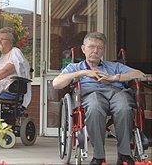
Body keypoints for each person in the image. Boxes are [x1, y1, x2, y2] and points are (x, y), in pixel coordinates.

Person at [53, 32, 145, 165]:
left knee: (124, 107)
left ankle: (125, 154)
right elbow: (56, 83)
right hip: (91, 94)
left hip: (116, 93)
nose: (95, 50)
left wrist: (115, 77)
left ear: (103, 50)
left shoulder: (114, 67)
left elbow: (139, 74)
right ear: (83, 49)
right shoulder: (75, 68)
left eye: (100, 47)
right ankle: (99, 156)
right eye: (91, 47)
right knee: (95, 108)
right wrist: (83, 73)